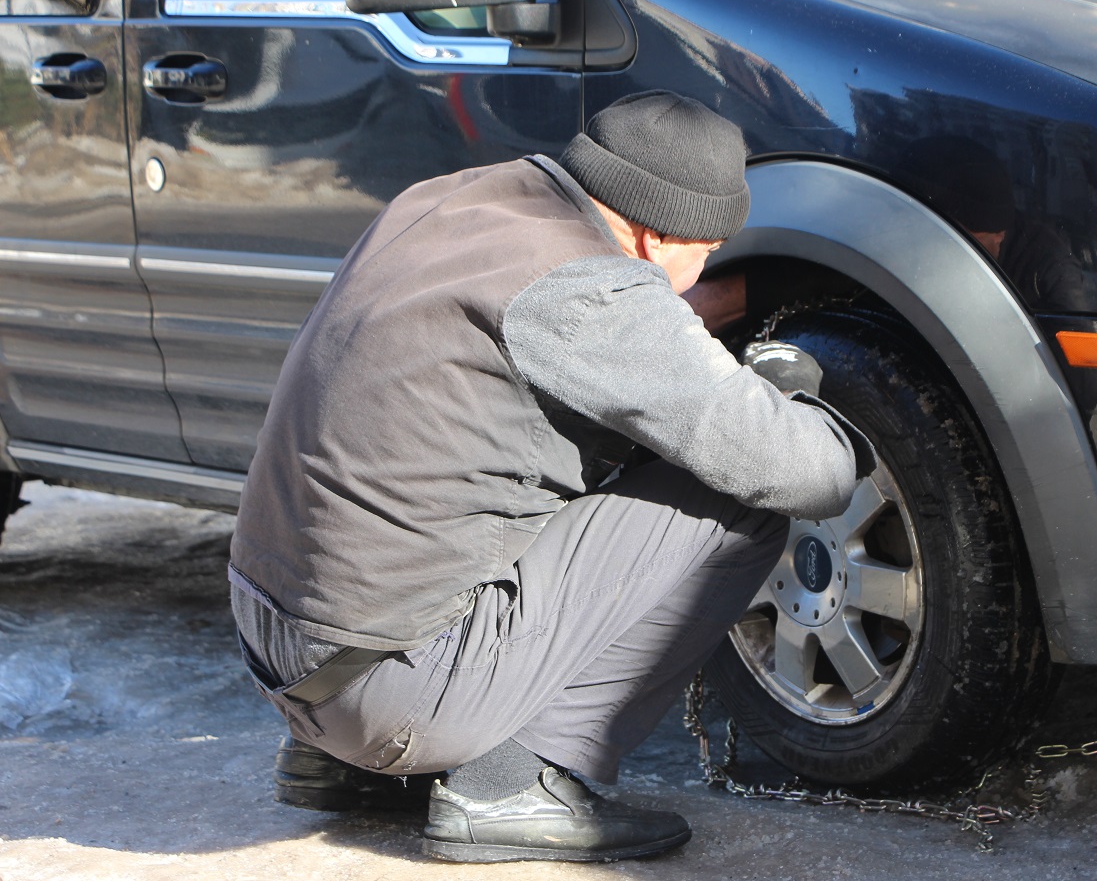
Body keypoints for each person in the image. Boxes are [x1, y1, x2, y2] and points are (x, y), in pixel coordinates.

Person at [227, 91, 873, 864]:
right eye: (706, 250)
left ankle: (344, 765)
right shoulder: (590, 292)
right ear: (654, 232)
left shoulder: (449, 201)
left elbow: (576, 325)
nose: (705, 268)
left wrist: (715, 308)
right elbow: (806, 474)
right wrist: (791, 401)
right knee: (736, 499)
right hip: (390, 694)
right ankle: (513, 783)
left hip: (282, 647)